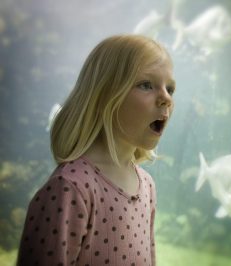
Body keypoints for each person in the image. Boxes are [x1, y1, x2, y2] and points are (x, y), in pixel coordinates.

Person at [17, 34, 176, 266]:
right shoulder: (71, 188)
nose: (166, 99)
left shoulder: (147, 186)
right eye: (146, 85)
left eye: (170, 89)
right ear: (103, 95)